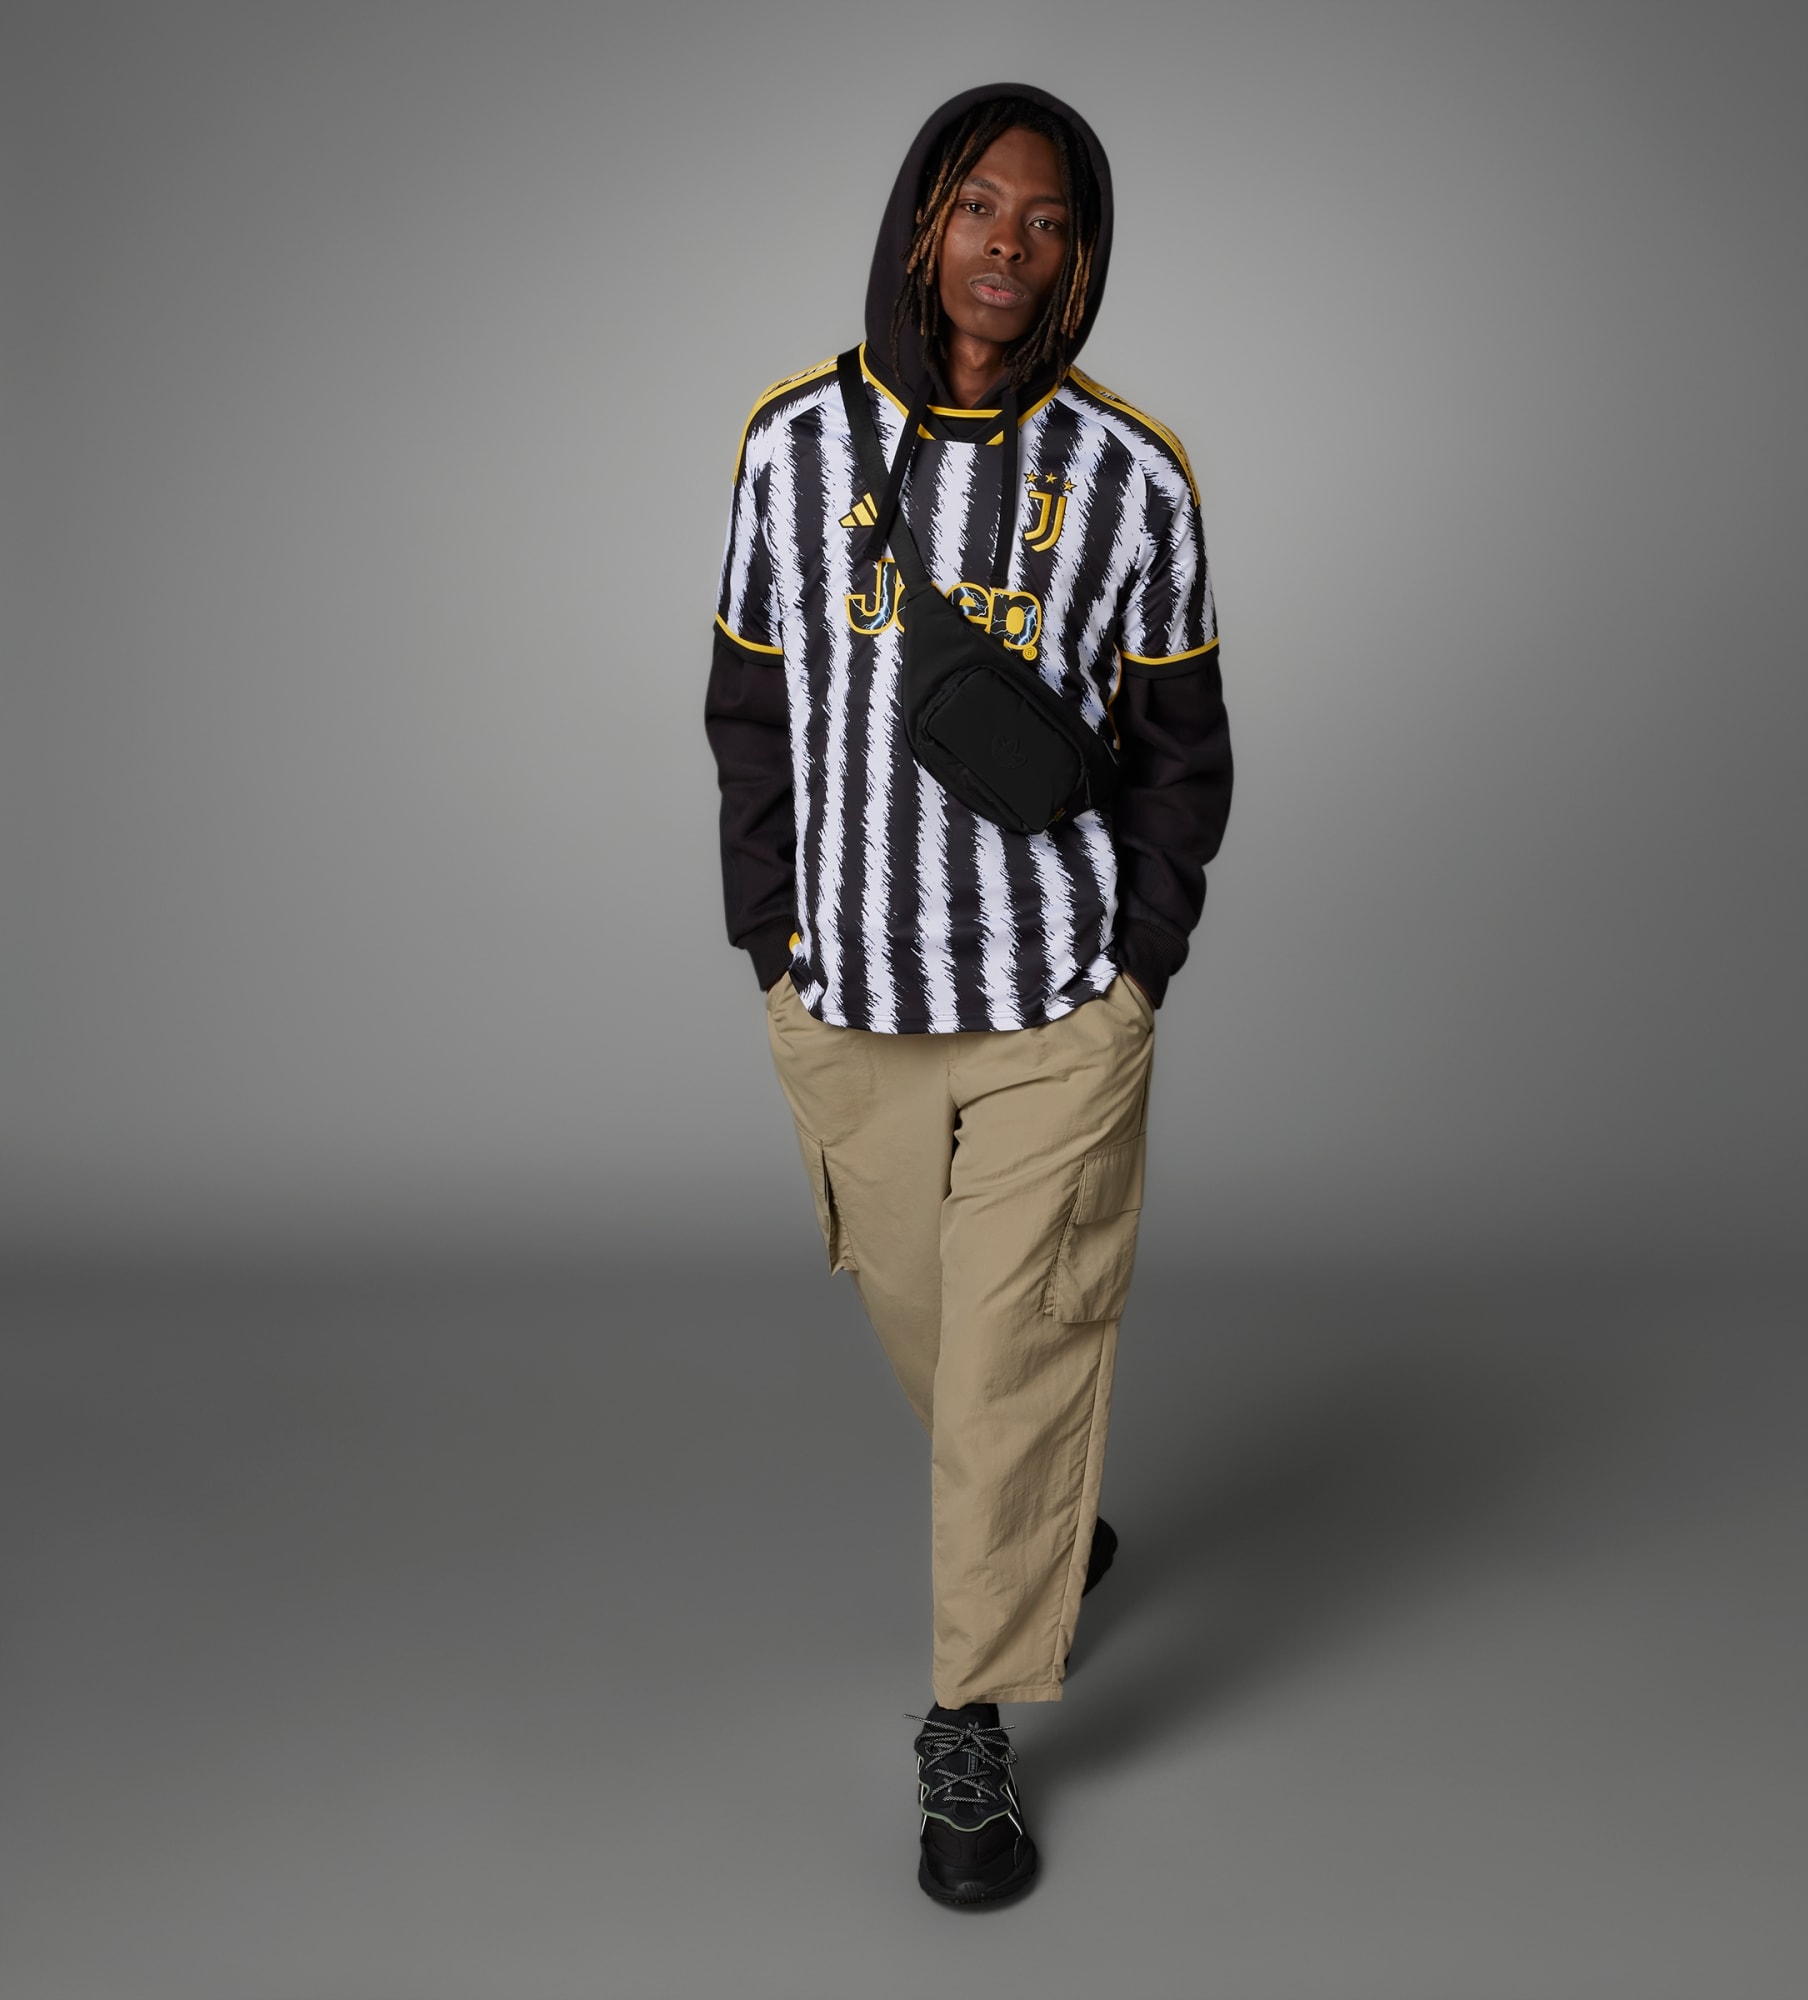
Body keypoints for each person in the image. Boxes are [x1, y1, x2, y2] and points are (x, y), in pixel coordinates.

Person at [704, 81, 1231, 1907]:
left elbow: (1182, 751)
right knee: (945, 1344)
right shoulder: (791, 444)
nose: (1012, 244)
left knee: (1013, 1358)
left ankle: (968, 1731)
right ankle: (1044, 1512)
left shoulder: (1134, 475)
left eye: (1050, 220)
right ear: (925, 219)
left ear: (1081, 259)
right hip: (850, 1003)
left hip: (1054, 1008)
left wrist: (1136, 965)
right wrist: (771, 942)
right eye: (984, 206)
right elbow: (749, 715)